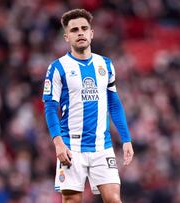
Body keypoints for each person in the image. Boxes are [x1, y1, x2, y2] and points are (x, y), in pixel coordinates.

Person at [42, 8, 134, 203]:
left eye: (84, 28)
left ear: (91, 33)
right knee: (72, 200)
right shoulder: (58, 68)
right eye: (74, 30)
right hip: (71, 146)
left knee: (114, 199)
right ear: (66, 37)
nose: (81, 32)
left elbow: (114, 104)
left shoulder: (105, 65)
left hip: (102, 145)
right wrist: (58, 143)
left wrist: (126, 138)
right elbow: (50, 108)